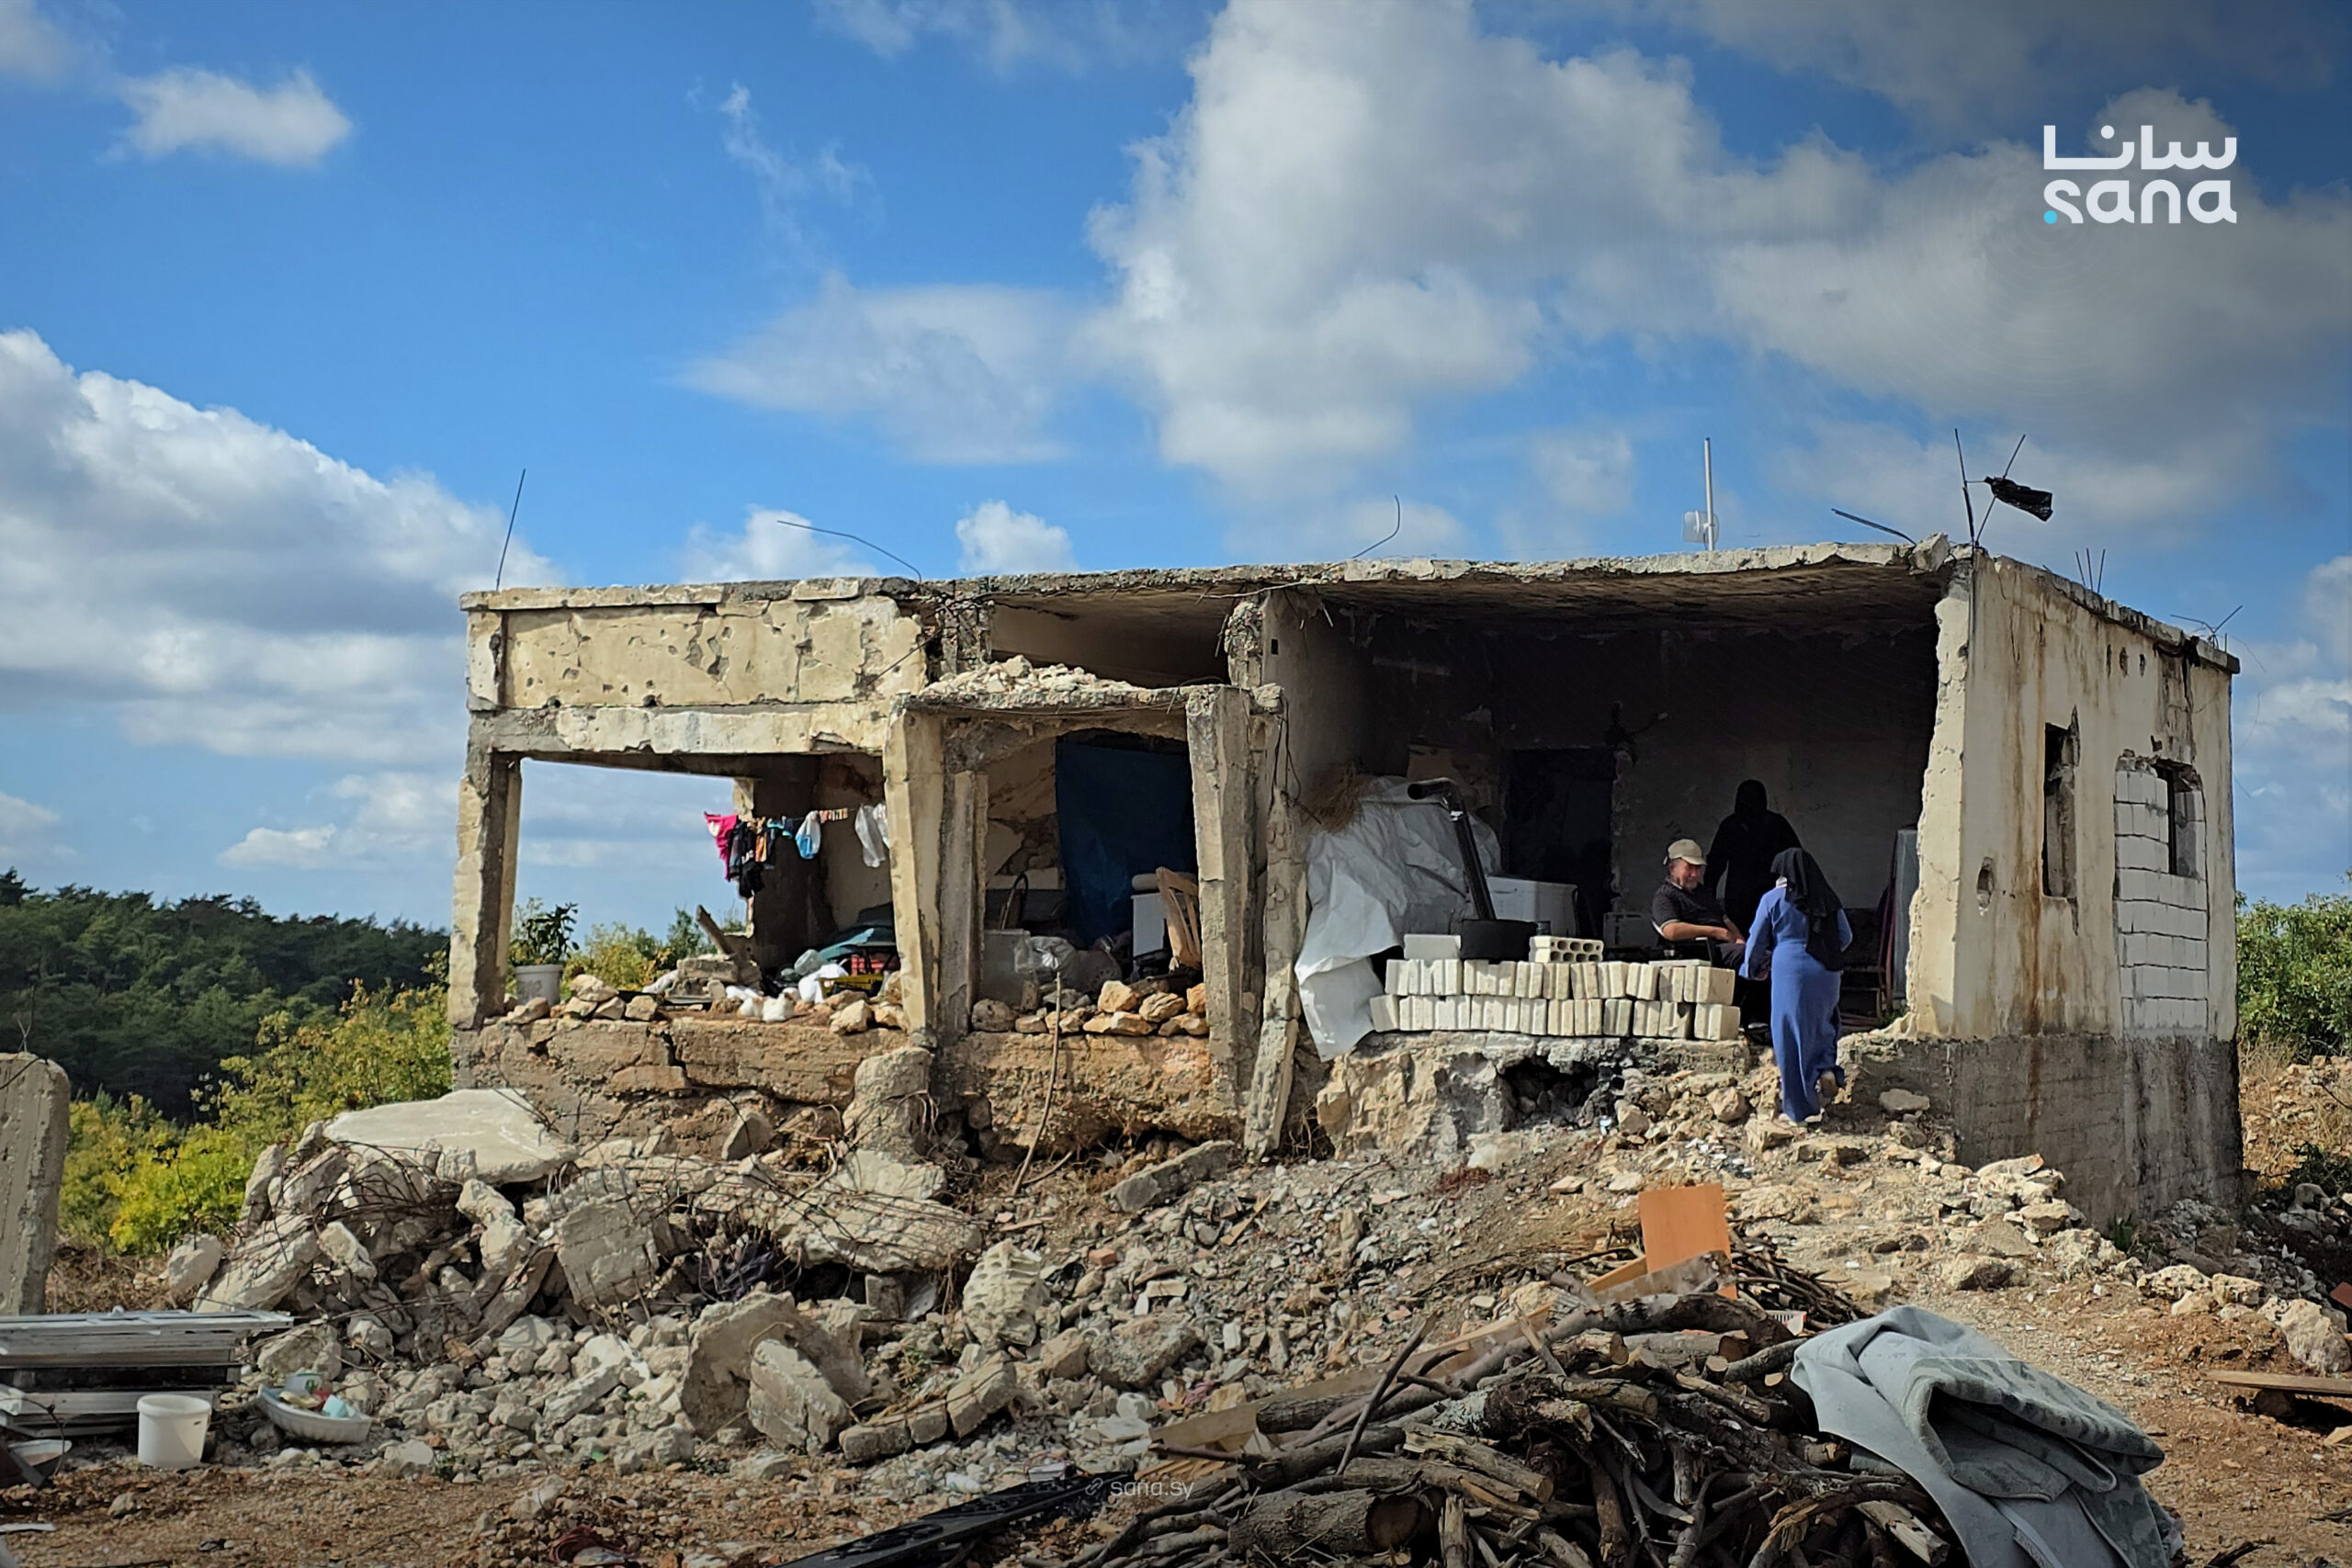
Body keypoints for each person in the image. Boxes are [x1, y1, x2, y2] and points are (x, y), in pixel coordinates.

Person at [1742, 847, 1852, 1122]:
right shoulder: (1827, 898)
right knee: (1823, 1022)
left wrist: (1751, 970)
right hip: (1827, 971)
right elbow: (1845, 936)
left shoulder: (1772, 899)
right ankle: (1825, 1068)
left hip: (1789, 971)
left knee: (1790, 1035)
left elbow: (1756, 942)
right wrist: (1825, 952)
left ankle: (1799, 1109)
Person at [1704, 780, 1803, 931]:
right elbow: (1715, 865)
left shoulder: (1775, 825)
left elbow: (1795, 860)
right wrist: (1709, 898)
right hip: (1742, 898)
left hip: (1767, 894)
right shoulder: (1732, 826)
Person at [1650, 839, 1744, 964]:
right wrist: (1716, 932)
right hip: (1697, 954)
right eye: (1689, 867)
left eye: (1698, 868)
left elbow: (1725, 919)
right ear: (1672, 868)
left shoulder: (1703, 893)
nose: (1694, 874)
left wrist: (1738, 939)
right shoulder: (1665, 895)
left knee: (1757, 954)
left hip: (1724, 948)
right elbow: (1671, 930)